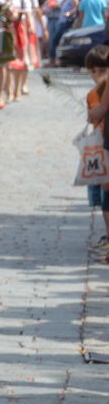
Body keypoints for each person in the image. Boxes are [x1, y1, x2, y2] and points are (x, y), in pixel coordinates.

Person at [85, 44, 109, 252]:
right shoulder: (92, 94)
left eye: (102, 70)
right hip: (100, 148)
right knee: (103, 192)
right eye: (93, 71)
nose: (97, 75)